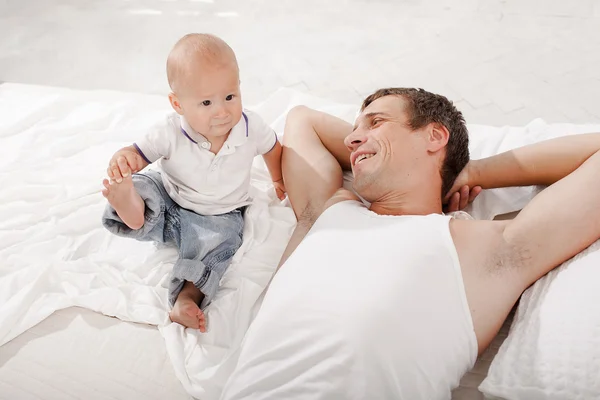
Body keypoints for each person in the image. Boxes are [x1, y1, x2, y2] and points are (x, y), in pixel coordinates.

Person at [220, 87, 600, 399]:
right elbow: (302, 119)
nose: (352, 139)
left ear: (435, 136)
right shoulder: (325, 212)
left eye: (376, 122)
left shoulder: (484, 250)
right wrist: (374, 145)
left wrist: (469, 170)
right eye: (354, 130)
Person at [101, 33, 286, 332]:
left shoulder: (251, 127)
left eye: (230, 97)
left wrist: (278, 178)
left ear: (239, 87)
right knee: (144, 184)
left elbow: (273, 148)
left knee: (220, 249)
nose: (222, 111)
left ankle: (186, 298)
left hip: (218, 215)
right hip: (171, 197)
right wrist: (124, 159)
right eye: (206, 102)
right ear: (178, 104)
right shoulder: (170, 132)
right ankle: (130, 206)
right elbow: (138, 154)